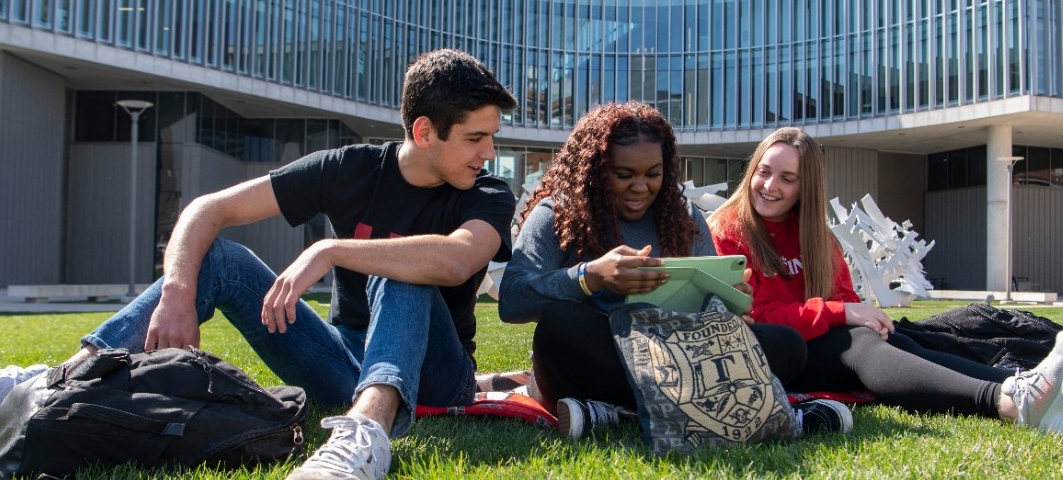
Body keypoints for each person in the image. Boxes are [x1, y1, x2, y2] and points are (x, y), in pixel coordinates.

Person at [0, 49, 518, 480]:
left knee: (405, 267)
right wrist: (179, 290)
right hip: (343, 360)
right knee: (222, 258)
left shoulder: (489, 193)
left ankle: (364, 439)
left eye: (491, 137)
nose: (489, 153)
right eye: (476, 138)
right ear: (425, 131)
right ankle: (67, 376)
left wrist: (328, 249)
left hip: (437, 376)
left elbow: (455, 261)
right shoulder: (351, 168)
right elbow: (210, 209)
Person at [498, 102, 851, 440]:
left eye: (653, 174)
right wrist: (589, 277)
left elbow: (715, 319)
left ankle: (616, 412)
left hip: (676, 356)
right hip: (602, 352)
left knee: (787, 345)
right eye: (623, 175)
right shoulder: (557, 213)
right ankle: (702, 410)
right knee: (559, 326)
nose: (641, 187)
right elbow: (513, 301)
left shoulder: (682, 218)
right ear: (595, 170)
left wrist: (730, 303)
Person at [708, 126, 1063, 432]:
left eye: (787, 179)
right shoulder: (725, 232)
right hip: (771, 354)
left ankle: (1019, 387)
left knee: (892, 339)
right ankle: (1006, 403)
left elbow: (843, 297)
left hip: (820, 346)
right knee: (861, 345)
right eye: (763, 172)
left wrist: (852, 315)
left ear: (805, 187)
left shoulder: (815, 237)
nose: (769, 186)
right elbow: (755, 317)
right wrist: (839, 313)